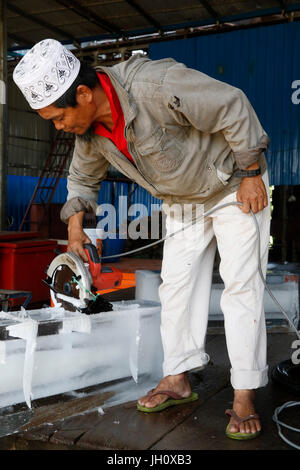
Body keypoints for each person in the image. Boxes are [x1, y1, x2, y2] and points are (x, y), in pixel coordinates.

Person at [13, 39, 270, 440]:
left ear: (83, 94)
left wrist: (252, 172)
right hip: (182, 199)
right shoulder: (90, 132)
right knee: (177, 288)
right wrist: (75, 228)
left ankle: (243, 395)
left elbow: (231, 105)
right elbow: (81, 177)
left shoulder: (154, 85)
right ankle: (177, 378)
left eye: (58, 117)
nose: (58, 126)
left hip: (232, 183)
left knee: (240, 286)